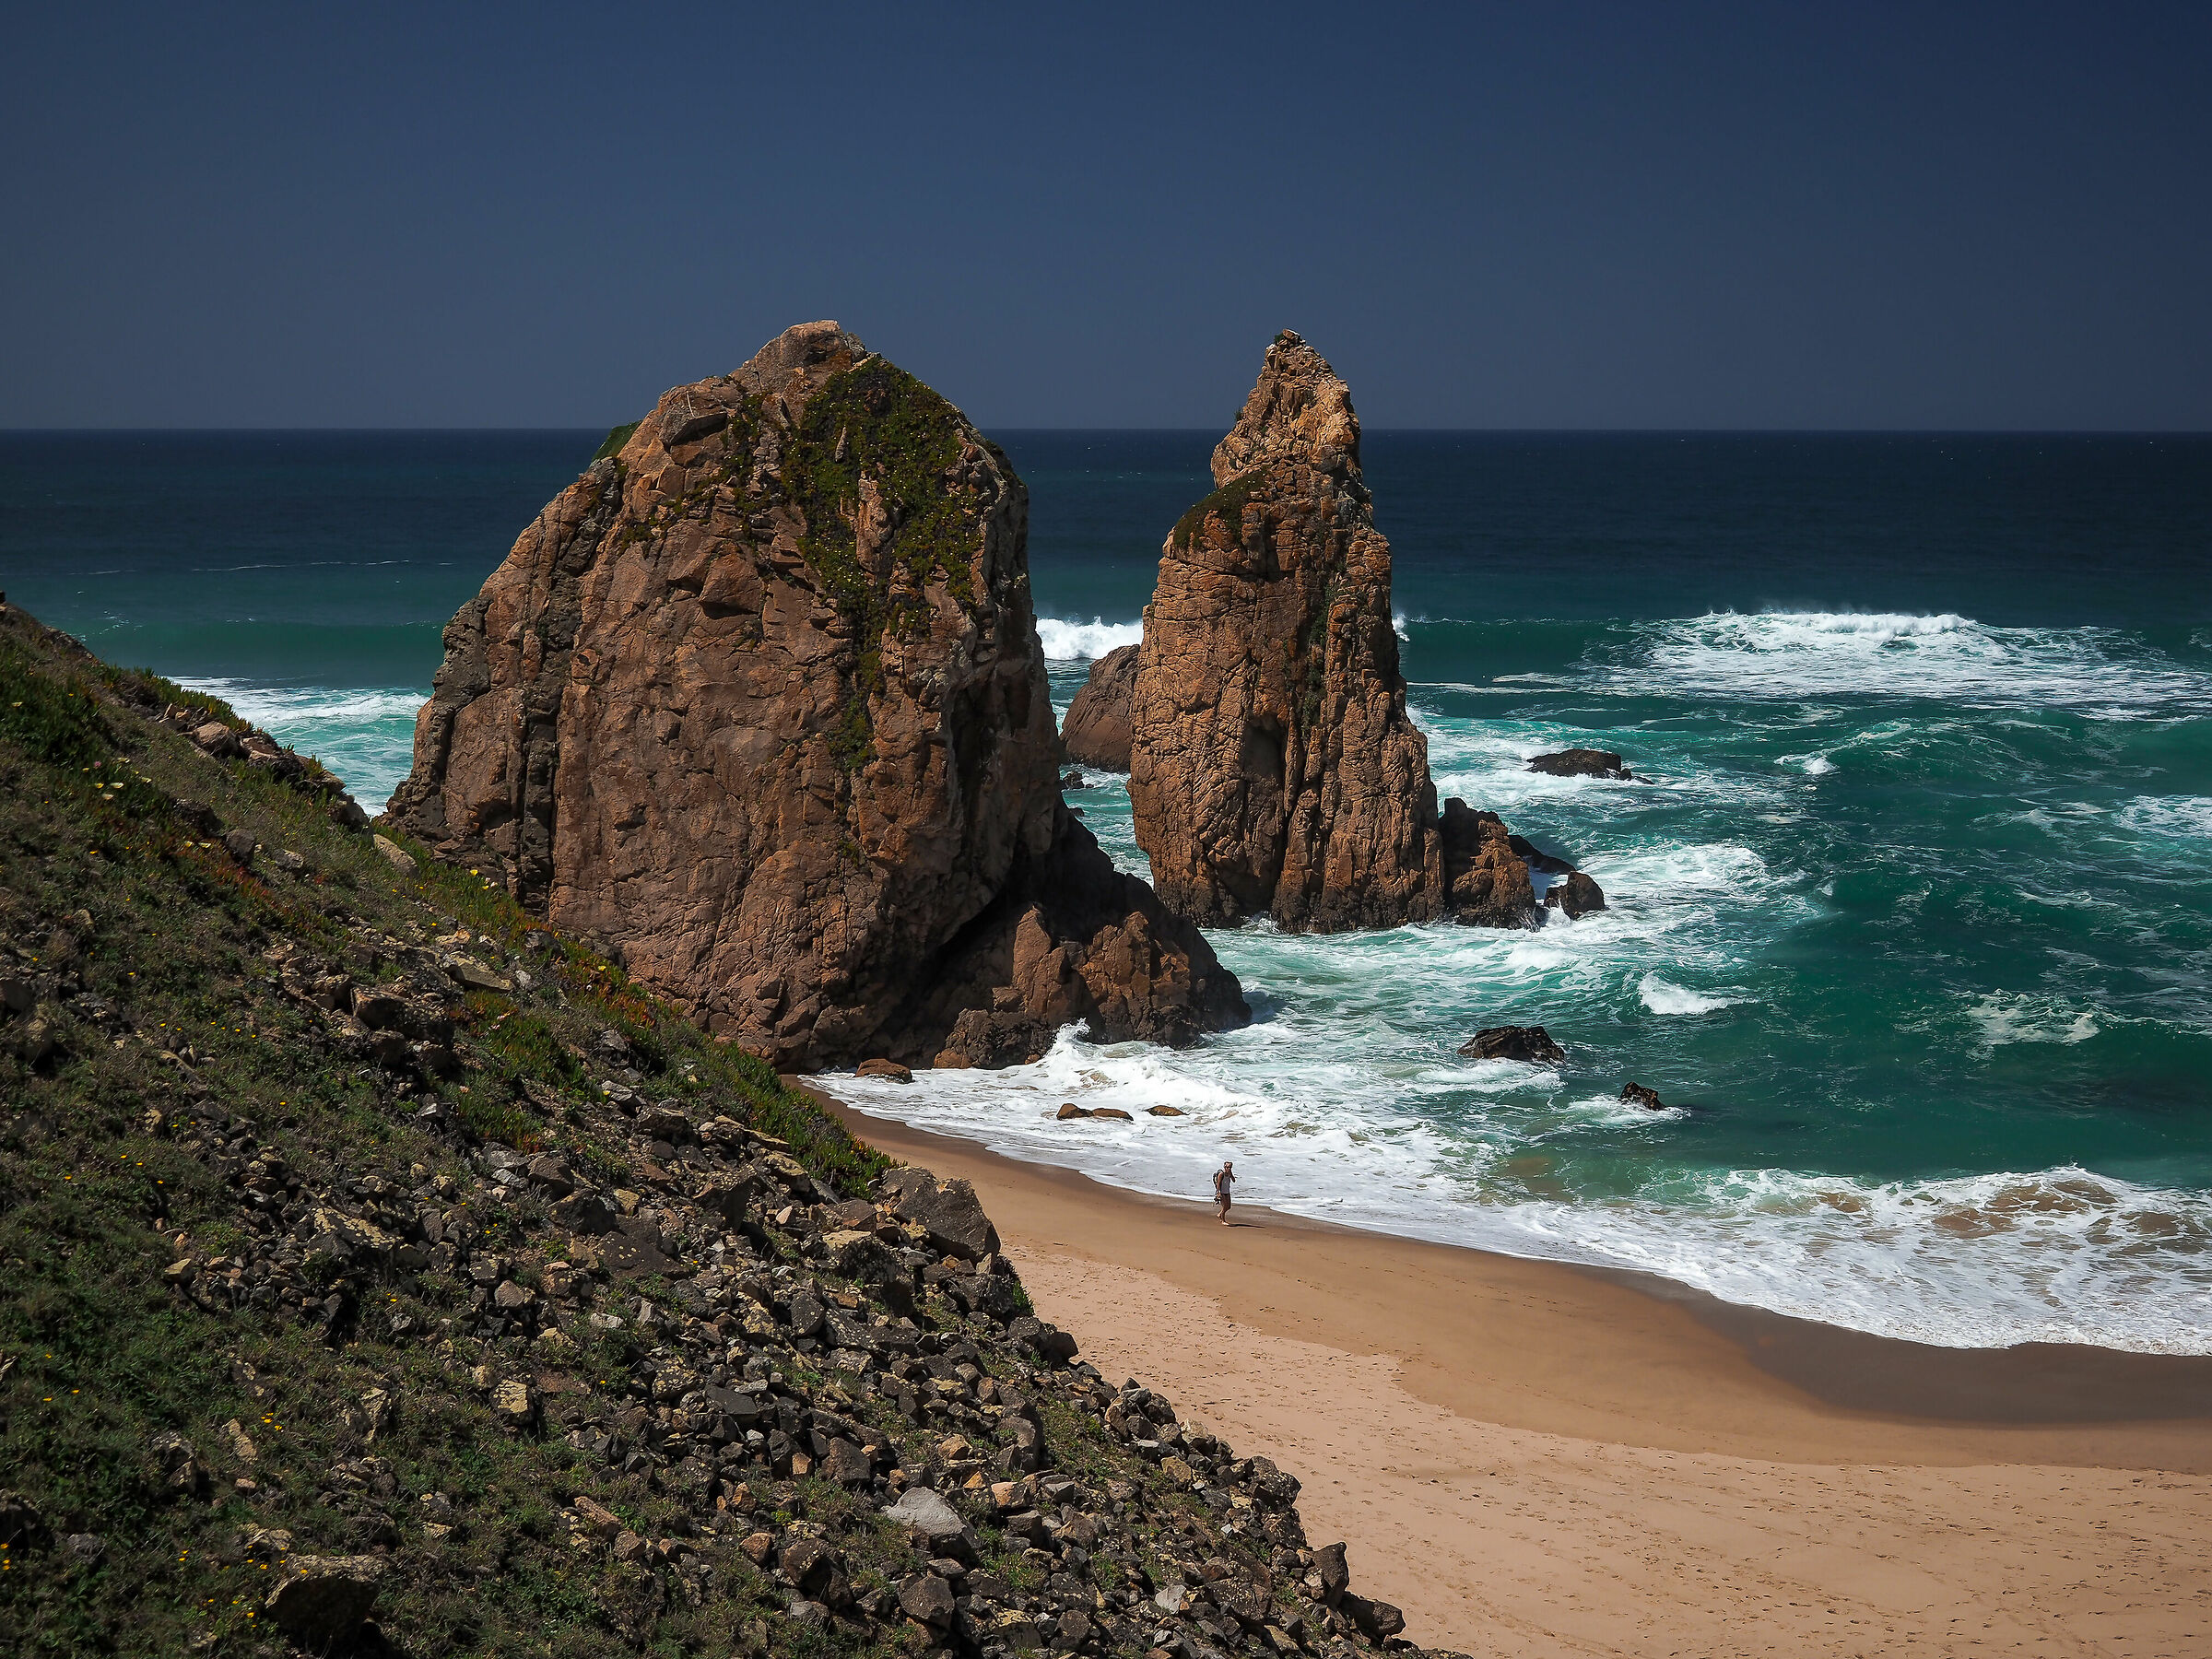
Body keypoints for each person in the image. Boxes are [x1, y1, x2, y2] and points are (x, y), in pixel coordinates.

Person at [1213, 1159, 1236, 1224]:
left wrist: (1231, 1174)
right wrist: (1218, 1192)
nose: (1228, 1168)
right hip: (1222, 1192)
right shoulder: (1221, 1174)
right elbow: (1218, 1184)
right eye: (1227, 1167)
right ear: (1224, 1167)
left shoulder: (1229, 1173)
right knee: (1224, 1207)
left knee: (1228, 1207)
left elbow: (1234, 1180)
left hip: (1227, 1192)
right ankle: (1223, 1221)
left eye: (1230, 1167)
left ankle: (1220, 1214)